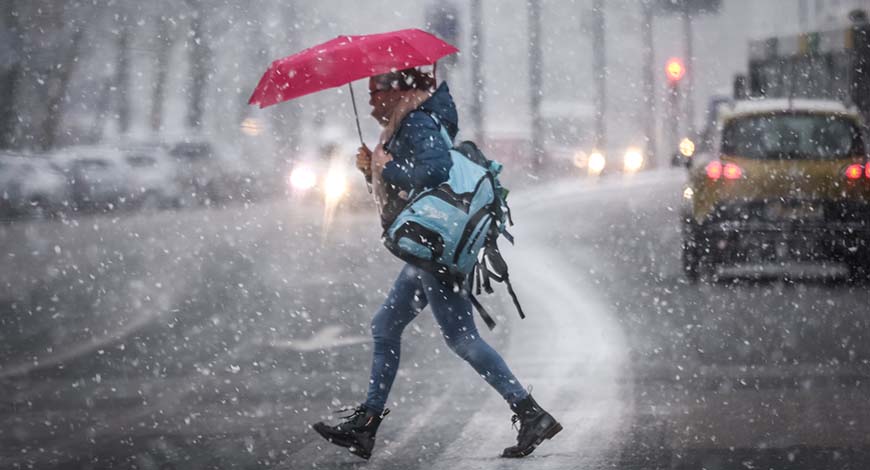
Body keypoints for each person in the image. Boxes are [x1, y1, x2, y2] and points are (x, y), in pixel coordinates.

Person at [311, 68, 561, 460]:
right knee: (386, 325)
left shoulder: (416, 120)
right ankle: (368, 424)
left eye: (376, 92)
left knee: (462, 338)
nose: (372, 101)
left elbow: (434, 170)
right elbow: (411, 182)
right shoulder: (409, 121)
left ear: (397, 92)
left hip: (437, 244)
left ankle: (529, 412)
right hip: (434, 243)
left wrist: (385, 167)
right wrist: (371, 169)